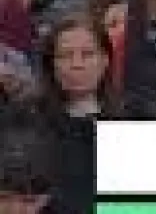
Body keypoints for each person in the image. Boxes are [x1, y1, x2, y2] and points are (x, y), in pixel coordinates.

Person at [39, 14, 121, 213]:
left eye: (88, 54)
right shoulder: (29, 120)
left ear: (105, 60)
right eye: (65, 56)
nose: (77, 64)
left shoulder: (136, 116)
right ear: (51, 64)